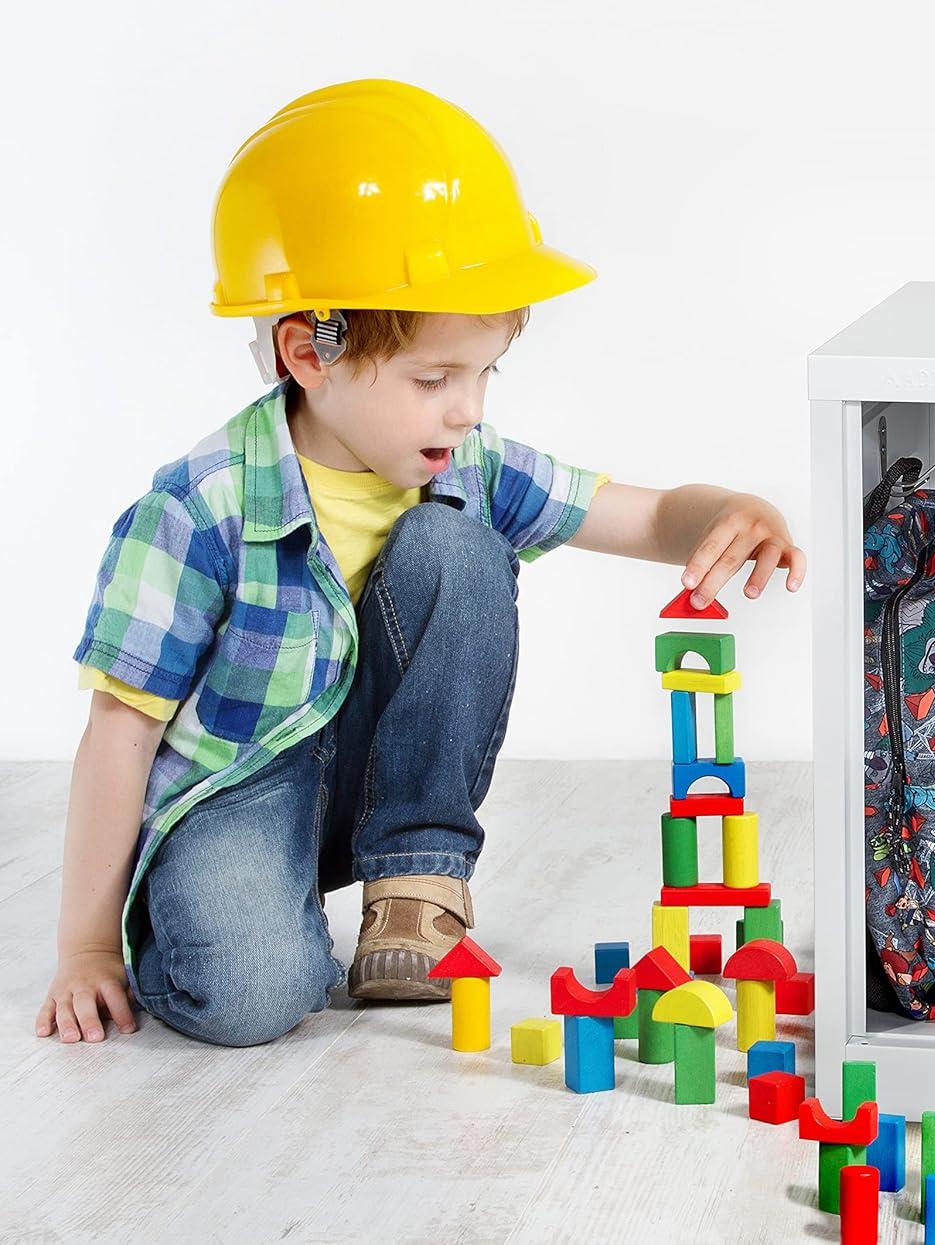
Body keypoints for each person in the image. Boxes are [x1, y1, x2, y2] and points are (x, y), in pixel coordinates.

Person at [35, 79, 804, 1048]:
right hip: (238, 786)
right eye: (434, 379)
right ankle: (226, 917)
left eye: (484, 374)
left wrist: (726, 510)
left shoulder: (466, 464)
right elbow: (119, 733)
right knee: (255, 1002)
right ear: (306, 355)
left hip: (374, 772)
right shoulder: (198, 507)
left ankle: (413, 879)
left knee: (459, 545)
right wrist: (86, 950)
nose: (467, 409)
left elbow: (644, 515)